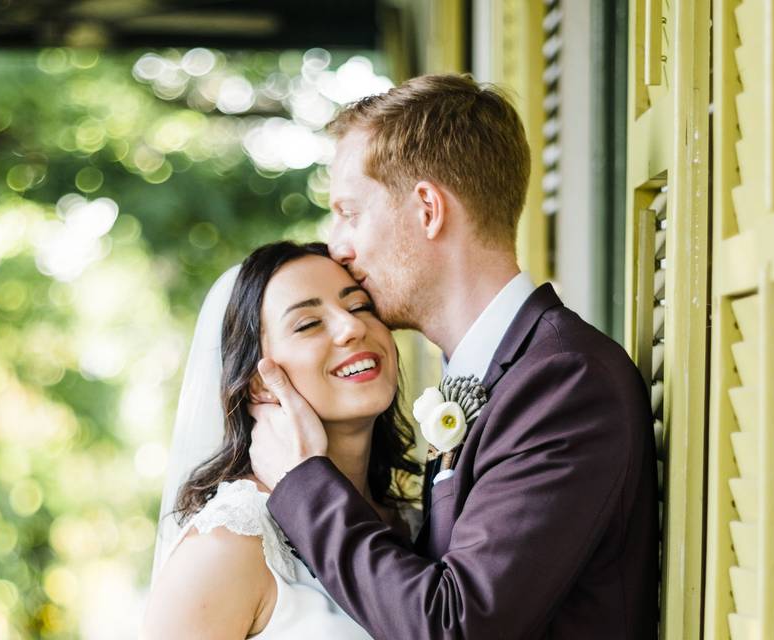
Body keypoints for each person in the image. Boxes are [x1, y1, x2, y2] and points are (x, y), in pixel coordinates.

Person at [248, 74, 660, 638]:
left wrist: (302, 481)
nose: (338, 246)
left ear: (427, 208)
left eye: (350, 212)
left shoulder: (565, 381)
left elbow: (454, 626)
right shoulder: (498, 375)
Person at [141, 241, 420, 639]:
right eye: (308, 324)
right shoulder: (229, 545)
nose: (352, 327)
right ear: (258, 383)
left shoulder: (412, 522)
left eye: (360, 306)